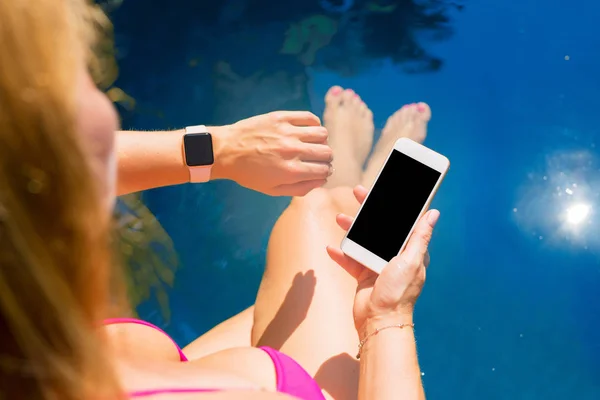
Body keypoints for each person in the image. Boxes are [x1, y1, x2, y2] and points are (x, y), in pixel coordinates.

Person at [0, 1, 439, 399]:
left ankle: (349, 176)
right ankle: (353, 176)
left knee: (321, 265)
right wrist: (388, 319)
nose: (107, 109)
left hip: (146, 373)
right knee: (319, 218)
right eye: (80, 82)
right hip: (262, 385)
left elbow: (35, 162)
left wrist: (217, 151)